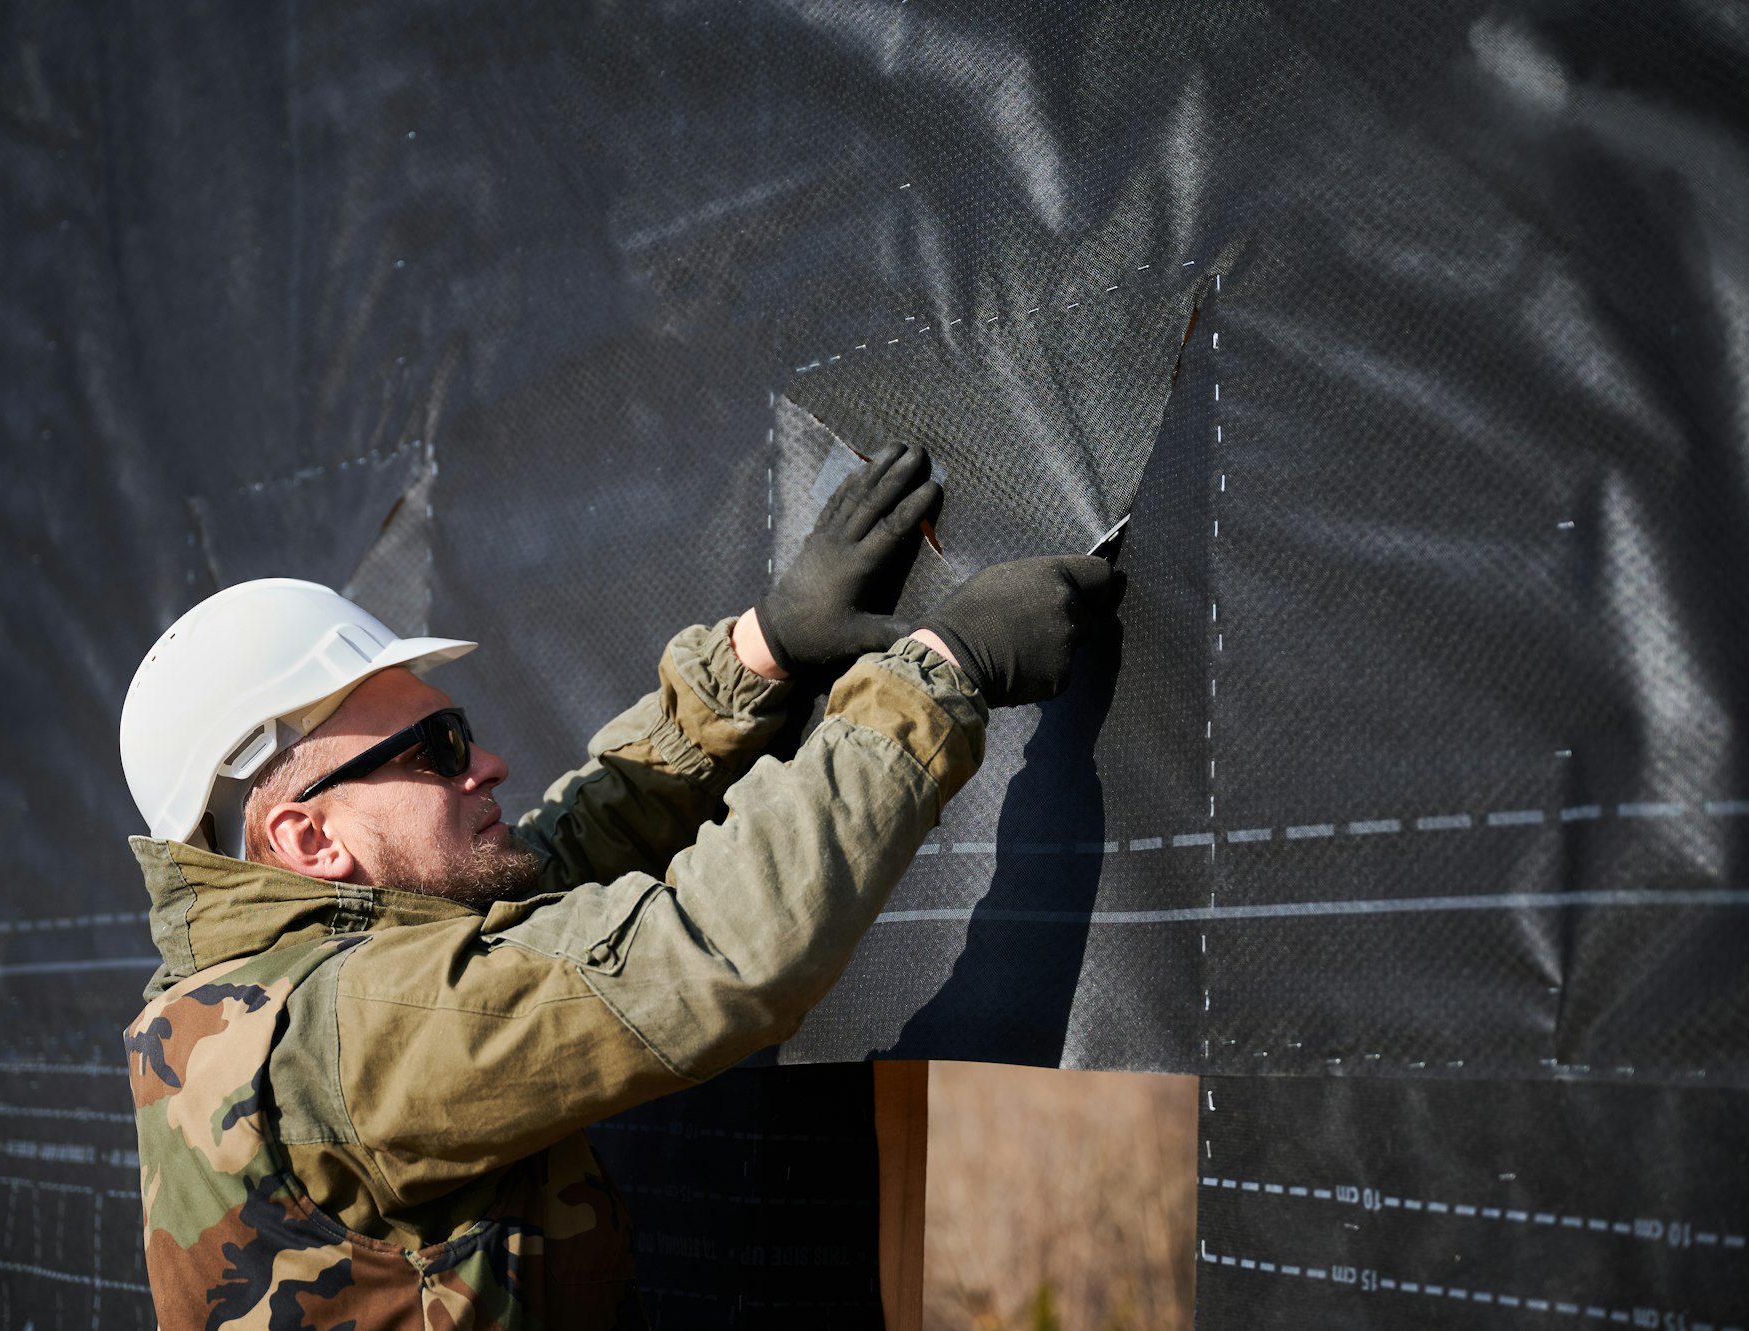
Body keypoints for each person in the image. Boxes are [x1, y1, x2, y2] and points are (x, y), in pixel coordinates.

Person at [116, 444, 1120, 1329]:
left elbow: (552, 868)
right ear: (306, 834)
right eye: (438, 749)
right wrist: (935, 672)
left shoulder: (255, 993)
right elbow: (704, 954)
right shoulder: (336, 1033)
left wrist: (756, 656)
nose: (490, 763)